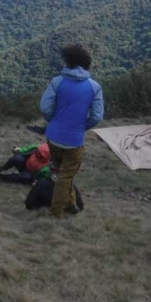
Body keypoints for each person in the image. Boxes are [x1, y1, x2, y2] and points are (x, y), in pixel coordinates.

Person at [40, 44, 104, 217]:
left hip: (53, 137)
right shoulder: (94, 87)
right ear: (86, 64)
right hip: (74, 141)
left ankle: (73, 204)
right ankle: (56, 212)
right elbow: (97, 116)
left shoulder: (57, 82)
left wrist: (53, 121)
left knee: (59, 171)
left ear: (67, 61)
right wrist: (83, 126)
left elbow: (45, 107)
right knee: (66, 176)